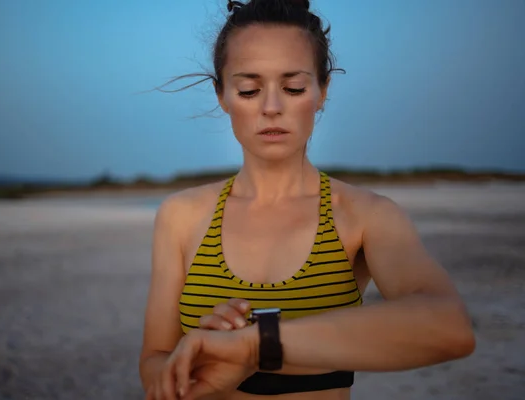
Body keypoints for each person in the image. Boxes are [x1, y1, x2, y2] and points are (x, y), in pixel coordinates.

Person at [138, 0, 476, 398]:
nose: (271, 108)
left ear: (322, 91)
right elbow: (153, 363)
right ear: (222, 95)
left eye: (293, 87)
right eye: (249, 89)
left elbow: (449, 327)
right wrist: (193, 362)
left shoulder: (365, 216)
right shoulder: (181, 215)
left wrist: (255, 345)